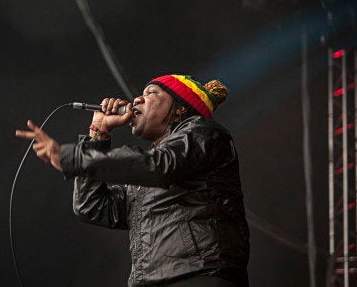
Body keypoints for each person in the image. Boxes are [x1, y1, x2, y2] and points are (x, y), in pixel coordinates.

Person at [15, 74, 249, 286]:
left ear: (179, 109)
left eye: (151, 93)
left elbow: (158, 165)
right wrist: (97, 133)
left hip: (198, 276)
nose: (137, 99)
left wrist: (71, 157)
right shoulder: (144, 174)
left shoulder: (204, 133)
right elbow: (91, 206)